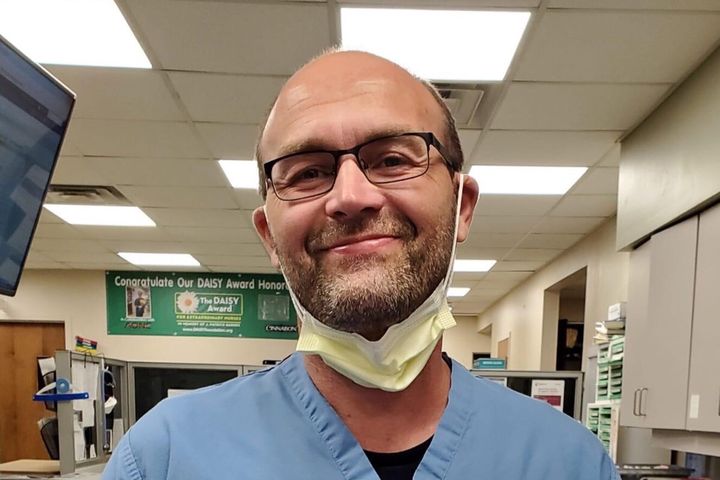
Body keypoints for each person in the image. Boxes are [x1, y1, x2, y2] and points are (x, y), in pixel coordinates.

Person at [102, 51, 619, 480]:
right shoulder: (165, 457)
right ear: (268, 236)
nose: (351, 196)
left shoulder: (569, 463)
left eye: (393, 159)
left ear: (461, 205)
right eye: (307, 172)